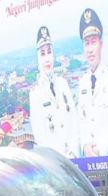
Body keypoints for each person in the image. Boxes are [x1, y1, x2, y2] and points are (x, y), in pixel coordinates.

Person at [75, 7, 108, 157]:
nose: (90, 49)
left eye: (93, 42)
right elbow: (81, 123)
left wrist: (100, 150)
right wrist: (85, 146)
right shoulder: (82, 83)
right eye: (87, 44)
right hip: (90, 163)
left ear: (101, 45)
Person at [28, 25, 78, 157]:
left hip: (74, 159)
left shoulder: (63, 84)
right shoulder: (35, 93)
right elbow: (41, 137)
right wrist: (62, 159)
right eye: (43, 53)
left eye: (49, 52)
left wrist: (73, 152)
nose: (47, 58)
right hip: (56, 163)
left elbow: (74, 120)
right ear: (38, 58)